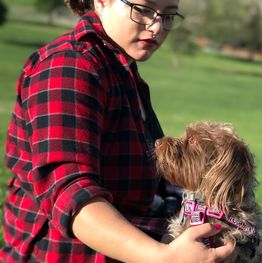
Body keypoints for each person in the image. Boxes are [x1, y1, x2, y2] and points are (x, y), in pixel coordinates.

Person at [1, 0, 237, 262]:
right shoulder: (71, 66)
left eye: (169, 15)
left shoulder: (120, 68)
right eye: (144, 10)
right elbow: (72, 196)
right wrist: (164, 257)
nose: (156, 26)